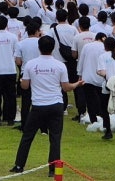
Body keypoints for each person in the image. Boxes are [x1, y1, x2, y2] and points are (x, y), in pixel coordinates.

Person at [9, 34, 84, 176]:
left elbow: (25, 86)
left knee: (27, 136)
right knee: (55, 138)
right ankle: (53, 169)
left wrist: (22, 82)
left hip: (38, 105)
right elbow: (66, 87)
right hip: (56, 104)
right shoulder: (60, 65)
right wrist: (77, 84)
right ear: (53, 48)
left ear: (39, 48)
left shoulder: (31, 64)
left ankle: (19, 165)